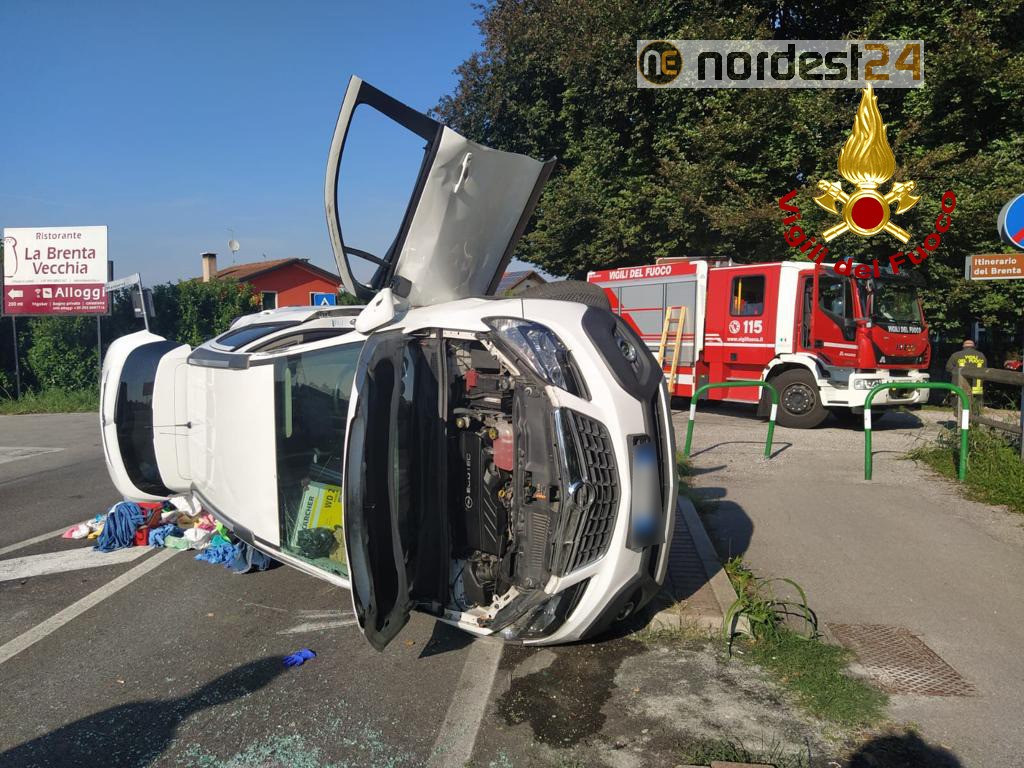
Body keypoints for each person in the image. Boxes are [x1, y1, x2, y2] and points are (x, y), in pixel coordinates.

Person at [945, 339, 987, 411]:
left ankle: (959, 415)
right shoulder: (981, 355)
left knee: (959, 406)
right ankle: (975, 416)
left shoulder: (956, 355)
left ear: (963, 346)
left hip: (958, 385)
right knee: (975, 406)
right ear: (974, 347)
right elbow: (985, 370)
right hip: (977, 386)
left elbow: (948, 368)